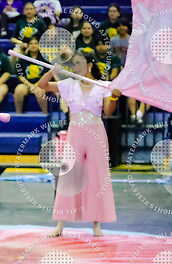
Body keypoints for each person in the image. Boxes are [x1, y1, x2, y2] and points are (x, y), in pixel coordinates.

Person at [37, 51, 120, 237]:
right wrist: (52, 71)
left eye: (79, 63)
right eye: (74, 64)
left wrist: (114, 96)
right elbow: (42, 86)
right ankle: (60, 225)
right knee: (69, 177)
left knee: (97, 178)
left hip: (96, 134)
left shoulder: (103, 86)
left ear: (89, 65)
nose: (76, 67)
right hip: (75, 132)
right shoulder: (69, 85)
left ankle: (96, 225)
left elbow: (108, 111)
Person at [14, 37, 49, 114]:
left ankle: (45, 114)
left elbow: (47, 75)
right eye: (31, 44)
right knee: (19, 90)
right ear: (28, 46)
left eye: (36, 43)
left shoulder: (45, 59)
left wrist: (36, 85)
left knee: (39, 91)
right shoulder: (22, 59)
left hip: (41, 84)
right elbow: (21, 76)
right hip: (26, 84)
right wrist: (30, 86)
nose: (33, 45)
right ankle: (18, 114)